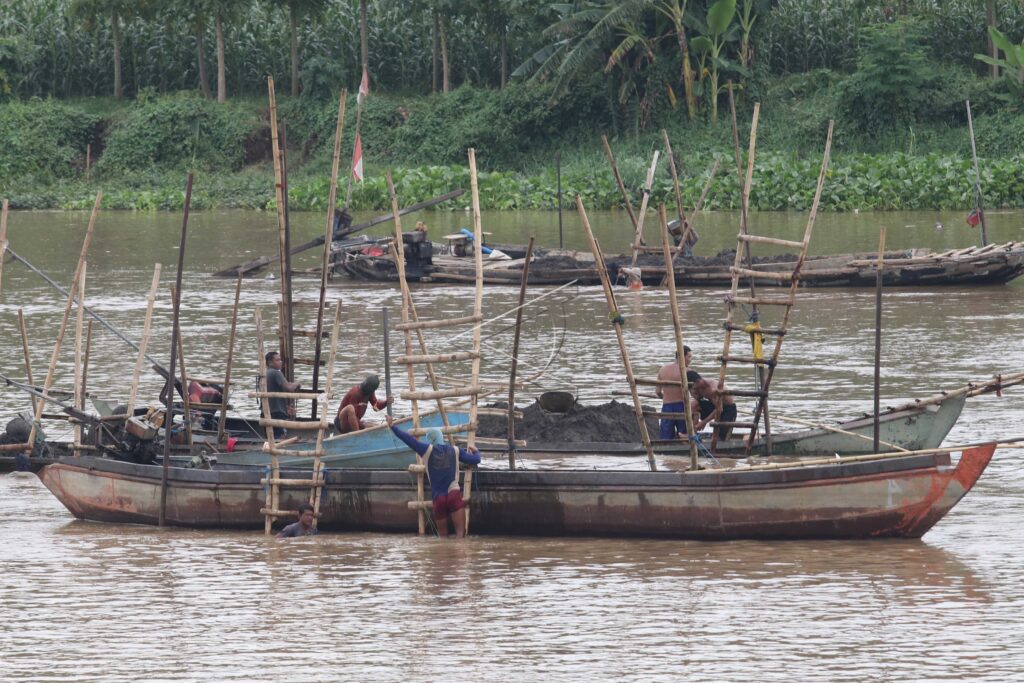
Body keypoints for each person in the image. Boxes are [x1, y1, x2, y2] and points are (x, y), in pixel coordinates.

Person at [386, 414, 480, 538]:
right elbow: (475, 460)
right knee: (460, 536)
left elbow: (408, 439)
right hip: (453, 494)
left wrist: (392, 426)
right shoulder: (455, 450)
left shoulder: (426, 450)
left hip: (438, 499)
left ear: (429, 440)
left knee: (442, 538)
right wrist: (476, 451)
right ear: (442, 438)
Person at [655, 346, 699, 439]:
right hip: (682, 406)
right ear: (682, 357)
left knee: (665, 438)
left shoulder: (662, 370)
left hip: (666, 407)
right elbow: (694, 393)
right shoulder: (687, 371)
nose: (690, 360)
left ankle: (664, 453)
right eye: (689, 357)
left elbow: (658, 392)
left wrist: (668, 397)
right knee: (683, 436)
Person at [265, 351, 300, 438]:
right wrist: (297, 383)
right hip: (276, 413)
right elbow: (289, 387)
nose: (281, 362)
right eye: (277, 360)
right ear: (270, 362)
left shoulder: (265, 373)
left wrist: (286, 407)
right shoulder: (276, 372)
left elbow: (272, 395)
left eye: (280, 360)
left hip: (266, 411)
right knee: (280, 437)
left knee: (271, 438)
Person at [691, 376, 738, 440]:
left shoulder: (713, 388)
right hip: (714, 405)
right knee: (694, 404)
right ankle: (693, 433)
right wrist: (695, 393)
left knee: (721, 438)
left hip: (727, 409)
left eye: (695, 387)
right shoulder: (698, 388)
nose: (695, 389)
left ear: (699, 381)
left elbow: (719, 409)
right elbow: (698, 399)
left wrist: (704, 422)